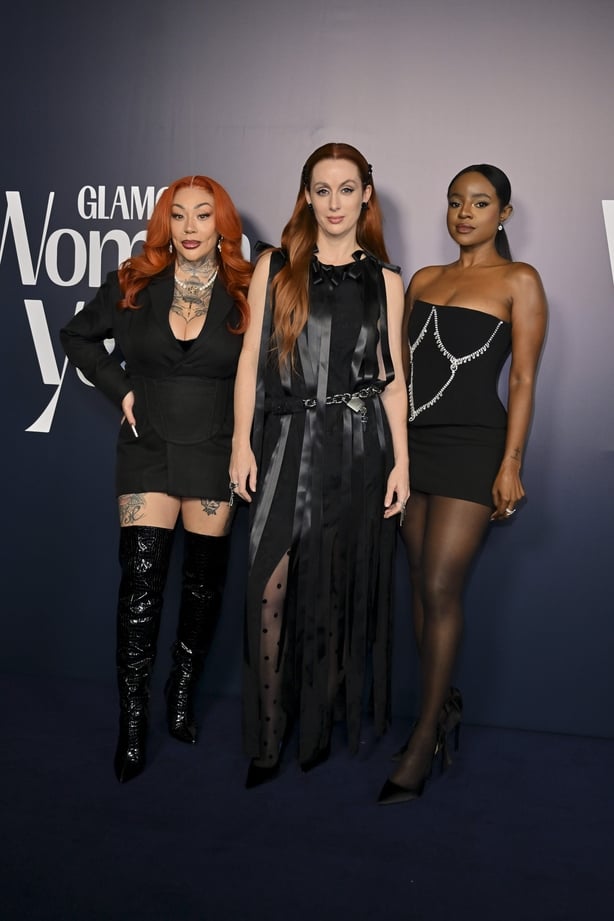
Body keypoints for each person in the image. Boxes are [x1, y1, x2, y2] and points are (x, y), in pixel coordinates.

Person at [60, 175, 252, 783]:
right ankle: (134, 721)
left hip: (217, 448)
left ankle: (181, 693)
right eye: (178, 215)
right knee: (139, 585)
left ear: (221, 224)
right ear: (164, 224)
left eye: (203, 215)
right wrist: (121, 389)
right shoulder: (133, 282)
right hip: (147, 449)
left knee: (202, 587)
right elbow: (77, 337)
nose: (190, 227)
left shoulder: (248, 289)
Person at [230, 142, 409, 787]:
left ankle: (313, 733)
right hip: (282, 440)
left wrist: (402, 466)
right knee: (267, 591)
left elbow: (392, 382)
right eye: (322, 189)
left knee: (334, 596)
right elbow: (249, 360)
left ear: (366, 194)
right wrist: (240, 443)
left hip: (359, 451)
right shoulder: (274, 266)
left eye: (347, 188)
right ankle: (269, 738)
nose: (335, 202)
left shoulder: (386, 279)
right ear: (306, 195)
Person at [377, 164, 547, 805]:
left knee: (442, 584)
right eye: (455, 202)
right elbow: (399, 376)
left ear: (504, 213)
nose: (464, 213)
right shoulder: (424, 279)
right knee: (419, 584)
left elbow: (525, 380)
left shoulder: (519, 281)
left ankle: (423, 740)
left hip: (475, 448)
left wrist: (511, 463)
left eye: (480, 203)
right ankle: (442, 707)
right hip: (414, 448)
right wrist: (391, 452)